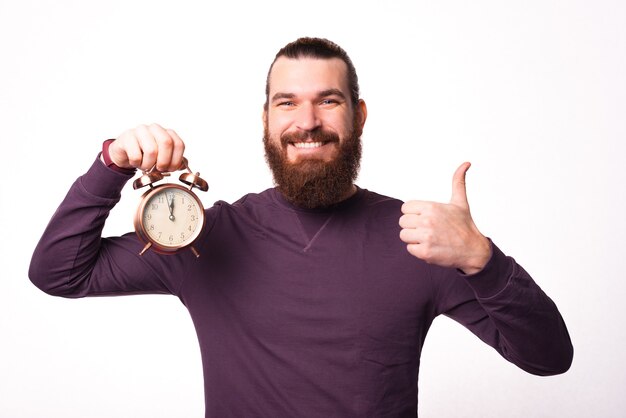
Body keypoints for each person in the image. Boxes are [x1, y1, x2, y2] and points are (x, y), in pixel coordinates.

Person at [29, 37, 573, 417]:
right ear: (266, 119)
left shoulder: (421, 239)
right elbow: (58, 273)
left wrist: (483, 259)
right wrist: (112, 165)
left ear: (359, 116)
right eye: (287, 102)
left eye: (328, 101)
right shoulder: (206, 237)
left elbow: (549, 358)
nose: (307, 122)